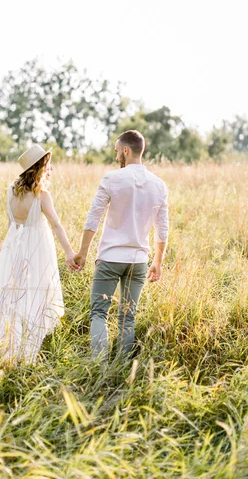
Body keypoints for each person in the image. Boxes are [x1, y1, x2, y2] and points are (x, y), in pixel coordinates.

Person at [0, 144, 79, 392]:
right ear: (40, 167)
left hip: (13, 252)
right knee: (32, 301)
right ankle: (22, 360)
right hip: (36, 252)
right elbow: (56, 225)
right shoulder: (42, 195)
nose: (51, 168)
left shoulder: (11, 191)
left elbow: (11, 223)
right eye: (48, 164)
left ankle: (4, 356)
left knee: (7, 302)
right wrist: (69, 253)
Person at [74, 130, 169, 360]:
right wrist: (157, 262)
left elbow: (93, 219)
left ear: (126, 150)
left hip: (110, 259)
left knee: (99, 313)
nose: (117, 157)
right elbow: (162, 229)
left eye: (118, 152)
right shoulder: (159, 185)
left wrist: (82, 253)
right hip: (138, 262)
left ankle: (99, 367)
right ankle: (122, 367)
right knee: (128, 317)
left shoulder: (111, 179)